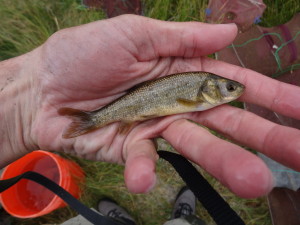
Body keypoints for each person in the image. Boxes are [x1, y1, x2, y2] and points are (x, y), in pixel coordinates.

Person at [1, 14, 300, 202]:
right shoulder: (196, 92)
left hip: (138, 103)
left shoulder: (200, 87)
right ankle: (93, 119)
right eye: (229, 89)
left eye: (231, 89)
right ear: (210, 89)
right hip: (134, 103)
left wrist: (24, 101)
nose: (232, 93)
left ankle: (93, 119)